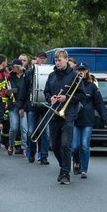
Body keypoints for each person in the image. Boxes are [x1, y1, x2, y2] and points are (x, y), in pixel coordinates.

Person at [44, 49, 81, 185]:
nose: (57, 62)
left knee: (66, 144)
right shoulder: (52, 76)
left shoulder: (74, 76)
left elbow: (81, 95)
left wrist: (66, 98)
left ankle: (65, 172)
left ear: (66, 59)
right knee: (54, 145)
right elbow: (46, 91)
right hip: (54, 113)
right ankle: (64, 166)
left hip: (68, 113)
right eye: (56, 60)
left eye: (60, 60)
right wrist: (50, 98)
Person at [71, 64, 107, 179]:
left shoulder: (92, 86)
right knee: (75, 146)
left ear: (87, 71)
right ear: (76, 71)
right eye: (79, 70)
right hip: (75, 118)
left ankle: (84, 170)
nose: (81, 72)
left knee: (85, 145)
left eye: (83, 70)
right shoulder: (72, 85)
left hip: (88, 119)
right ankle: (76, 161)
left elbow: (99, 104)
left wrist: (105, 119)